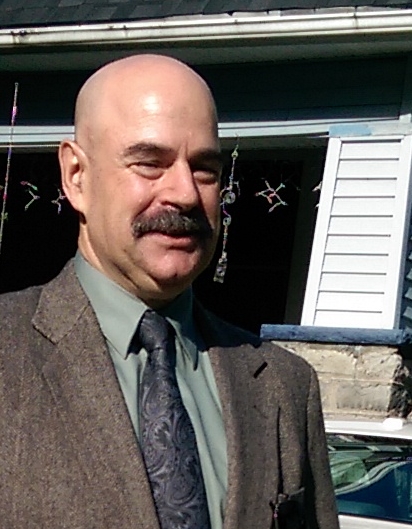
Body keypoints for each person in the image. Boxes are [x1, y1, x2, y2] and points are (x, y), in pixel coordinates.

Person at [0, 54, 339, 529]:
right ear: (76, 176)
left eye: (205, 169)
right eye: (149, 163)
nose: (184, 193)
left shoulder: (286, 386)